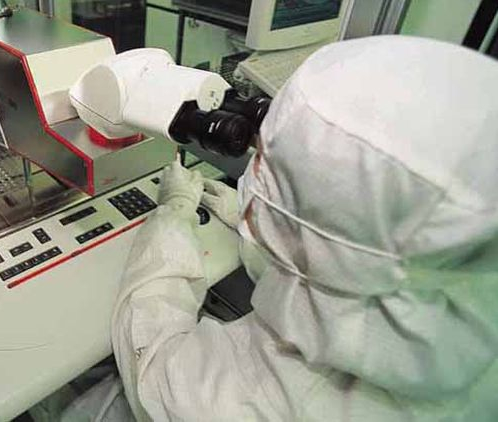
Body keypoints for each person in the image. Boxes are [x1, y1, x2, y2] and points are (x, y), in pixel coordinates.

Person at [108, 35, 498, 421]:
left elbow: (153, 367)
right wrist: (260, 219)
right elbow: (355, 272)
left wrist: (172, 217)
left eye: (268, 167)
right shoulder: (466, 271)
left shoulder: (262, 399)